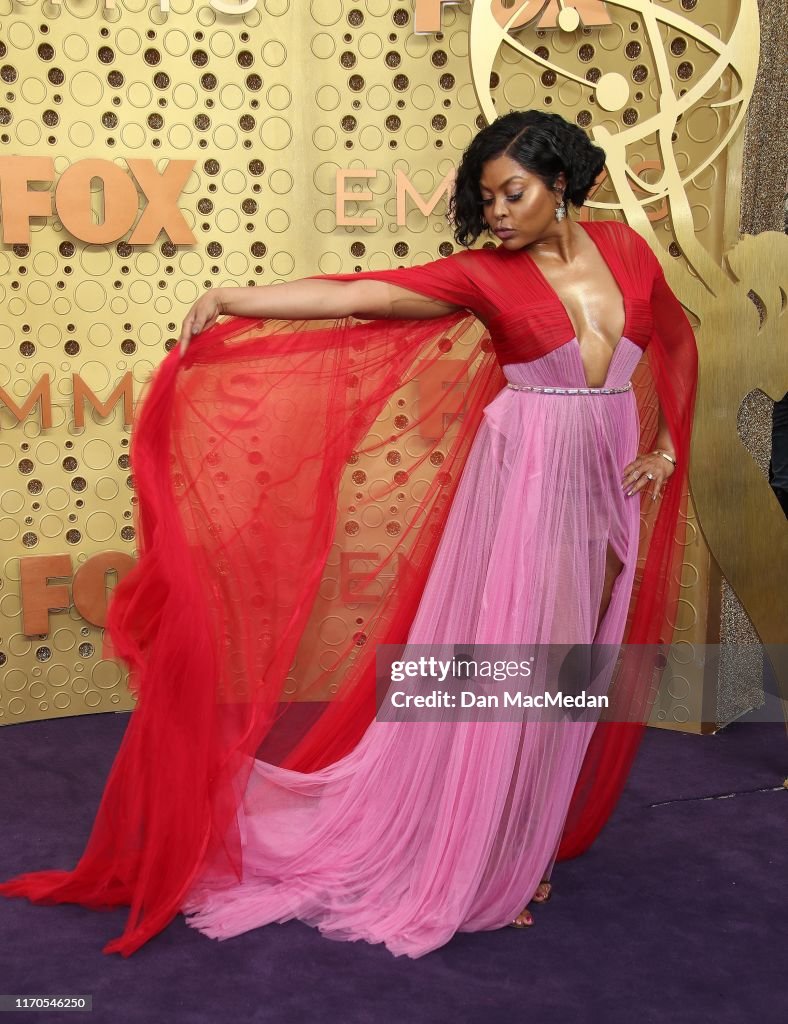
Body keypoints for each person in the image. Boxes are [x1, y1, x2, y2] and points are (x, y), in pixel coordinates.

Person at [0, 110, 698, 957]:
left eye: (513, 193)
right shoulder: (484, 275)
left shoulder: (626, 251)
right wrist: (233, 298)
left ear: (561, 183)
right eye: (486, 199)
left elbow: (676, 337)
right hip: (525, 481)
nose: (498, 213)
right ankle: (481, 859)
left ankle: (526, 836)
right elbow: (358, 293)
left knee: (572, 669)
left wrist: (666, 447)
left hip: (603, 480)